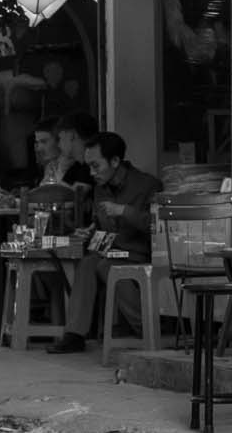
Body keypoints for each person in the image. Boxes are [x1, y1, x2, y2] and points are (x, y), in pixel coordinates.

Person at [52, 131, 161, 354]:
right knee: (88, 264)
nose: (92, 173)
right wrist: (89, 231)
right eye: (89, 166)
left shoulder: (147, 185)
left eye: (96, 166)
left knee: (105, 267)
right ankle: (75, 334)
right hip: (110, 252)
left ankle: (147, 325)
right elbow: (99, 222)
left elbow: (157, 226)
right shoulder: (101, 189)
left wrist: (125, 211)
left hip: (139, 254)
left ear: (115, 161)